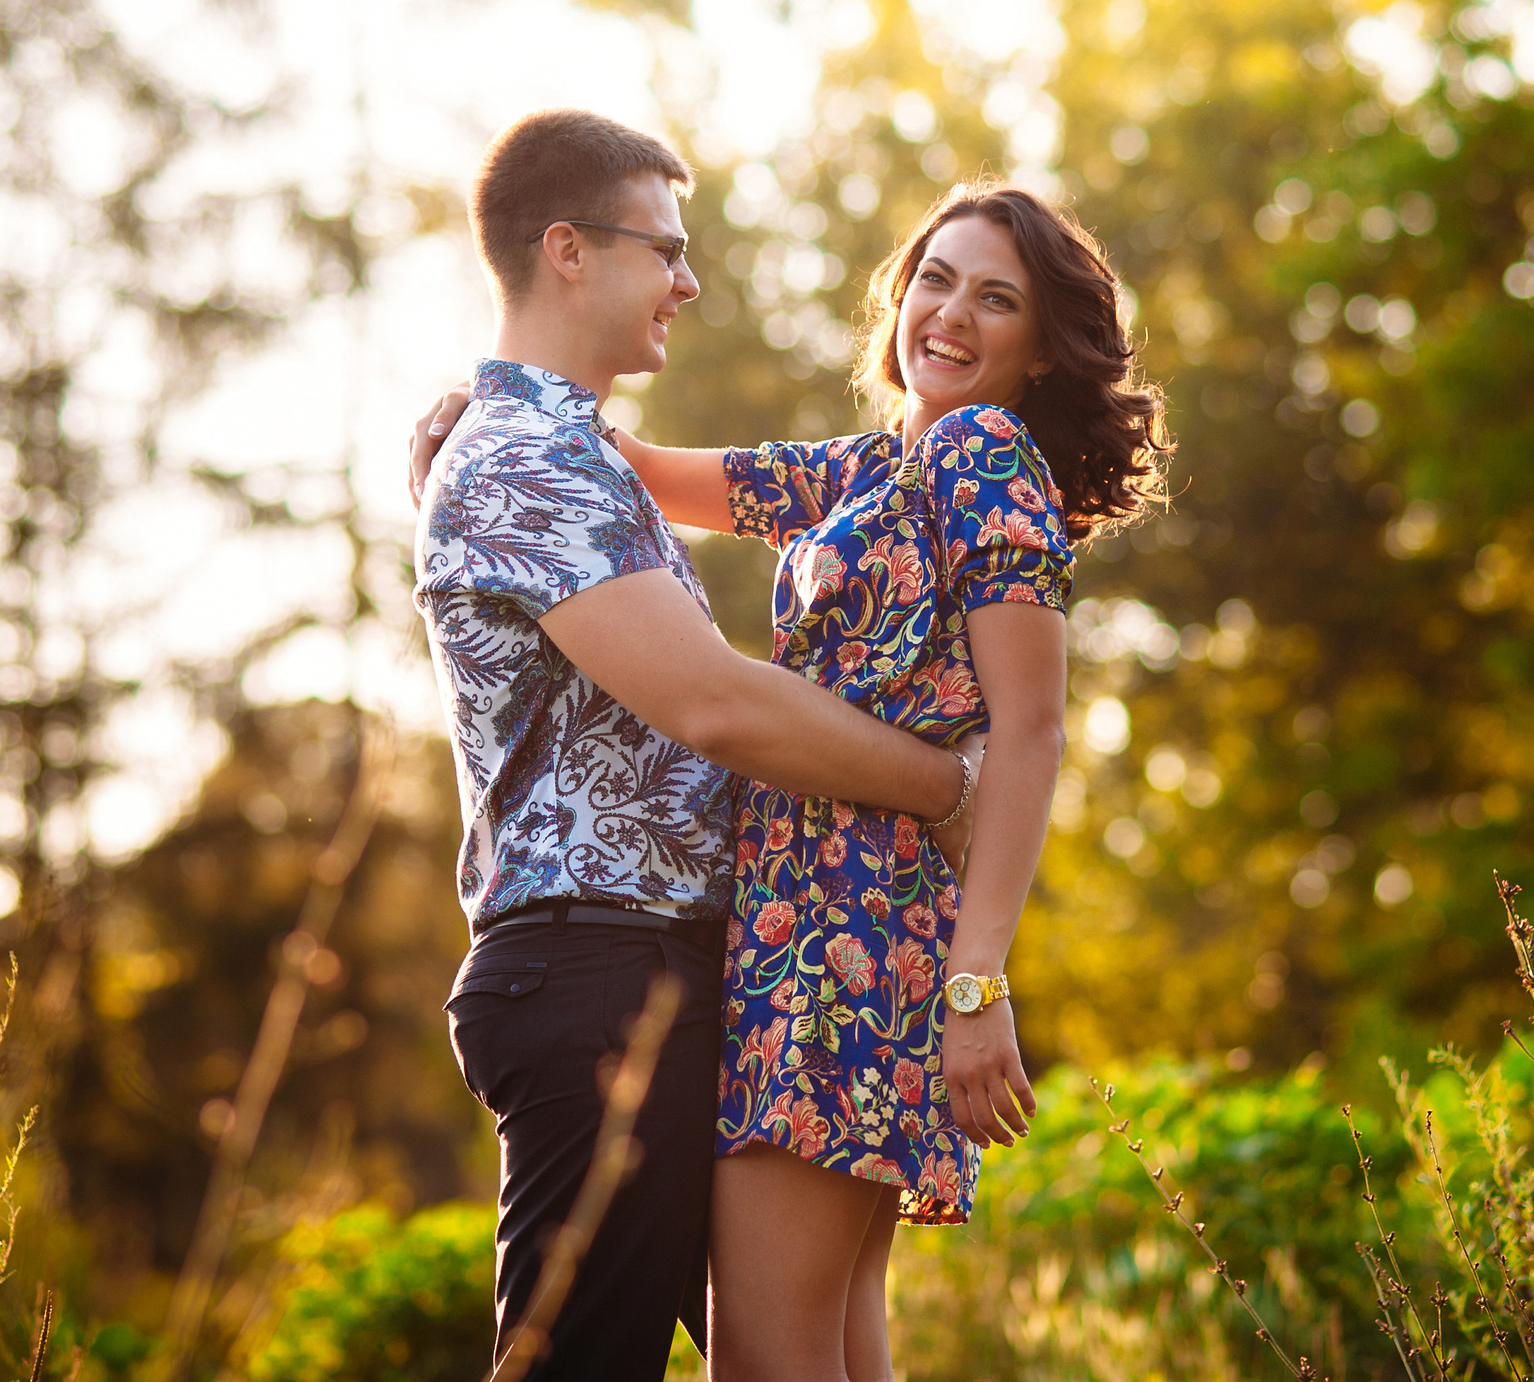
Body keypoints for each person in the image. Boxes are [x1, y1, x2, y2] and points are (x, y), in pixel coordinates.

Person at [416, 177, 1168, 1381]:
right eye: (934, 278)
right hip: (799, 925)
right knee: (829, 1348)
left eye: (996, 299)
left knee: (767, 1355)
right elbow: (649, 467)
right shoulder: (880, 469)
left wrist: (980, 984)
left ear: (1040, 346)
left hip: (848, 935)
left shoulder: (978, 455)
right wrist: (487, 406)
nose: (951, 315)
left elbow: (1028, 733)